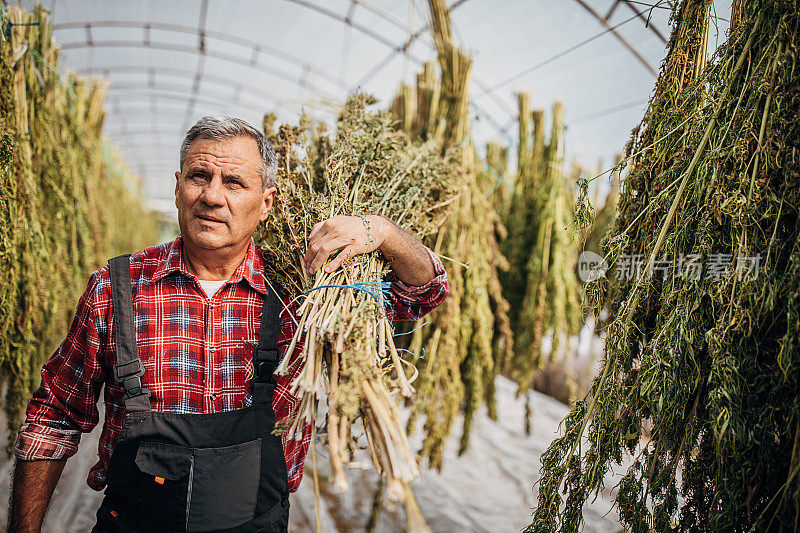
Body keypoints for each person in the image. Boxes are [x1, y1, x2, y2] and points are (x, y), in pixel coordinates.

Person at [7, 116, 449, 532]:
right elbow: (54, 417)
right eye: (199, 176)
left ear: (266, 204)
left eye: (234, 182)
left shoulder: (307, 294)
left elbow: (424, 292)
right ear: (178, 187)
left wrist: (382, 232)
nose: (213, 196)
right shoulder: (115, 288)